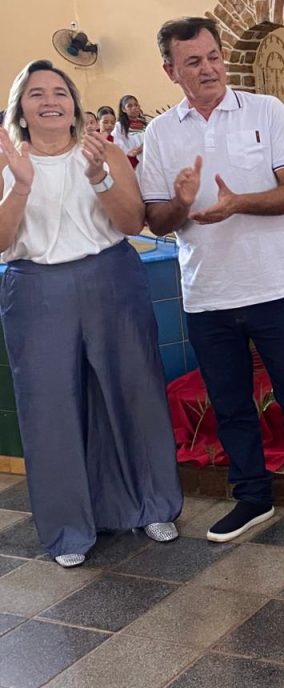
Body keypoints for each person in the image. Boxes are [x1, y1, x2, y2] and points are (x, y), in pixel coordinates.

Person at [140, 17, 284, 545]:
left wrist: (238, 204)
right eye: (193, 61)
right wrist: (181, 202)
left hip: (272, 286)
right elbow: (156, 220)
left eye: (214, 56)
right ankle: (251, 496)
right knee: (229, 404)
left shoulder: (265, 111)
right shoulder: (161, 134)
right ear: (170, 71)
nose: (208, 68)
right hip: (207, 293)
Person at [0, 59, 182, 567]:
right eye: (37, 93)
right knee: (49, 407)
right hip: (36, 289)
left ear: (74, 104)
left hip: (110, 279)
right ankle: (68, 529)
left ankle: (153, 504)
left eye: (60, 91)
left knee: (134, 391)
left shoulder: (103, 152)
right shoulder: (7, 160)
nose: (50, 101)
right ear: (21, 108)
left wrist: (100, 177)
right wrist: (20, 184)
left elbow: (131, 222)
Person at [113, 94, 147, 170]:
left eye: (136, 105)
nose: (134, 108)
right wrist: (135, 152)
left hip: (147, 162)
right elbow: (117, 144)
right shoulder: (119, 126)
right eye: (130, 106)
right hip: (133, 164)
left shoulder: (146, 124)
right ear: (123, 109)